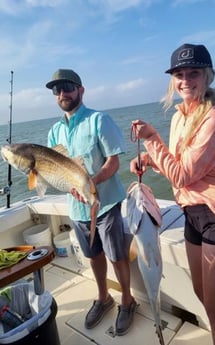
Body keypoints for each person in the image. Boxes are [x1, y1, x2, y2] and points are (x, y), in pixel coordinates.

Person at [130, 43, 215, 345]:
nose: (185, 80)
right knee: (202, 295)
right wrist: (149, 158)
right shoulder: (178, 116)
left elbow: (182, 175)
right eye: (179, 74)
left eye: (193, 72)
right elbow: (179, 164)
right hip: (193, 215)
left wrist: (150, 139)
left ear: (208, 75)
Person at [46, 69, 137, 336]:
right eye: (57, 90)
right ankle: (103, 297)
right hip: (76, 208)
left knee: (116, 255)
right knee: (93, 255)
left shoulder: (99, 120)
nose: (63, 93)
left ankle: (128, 301)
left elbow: (114, 161)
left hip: (105, 203)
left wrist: (92, 183)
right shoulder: (54, 131)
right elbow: (53, 170)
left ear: (81, 90)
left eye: (67, 87)